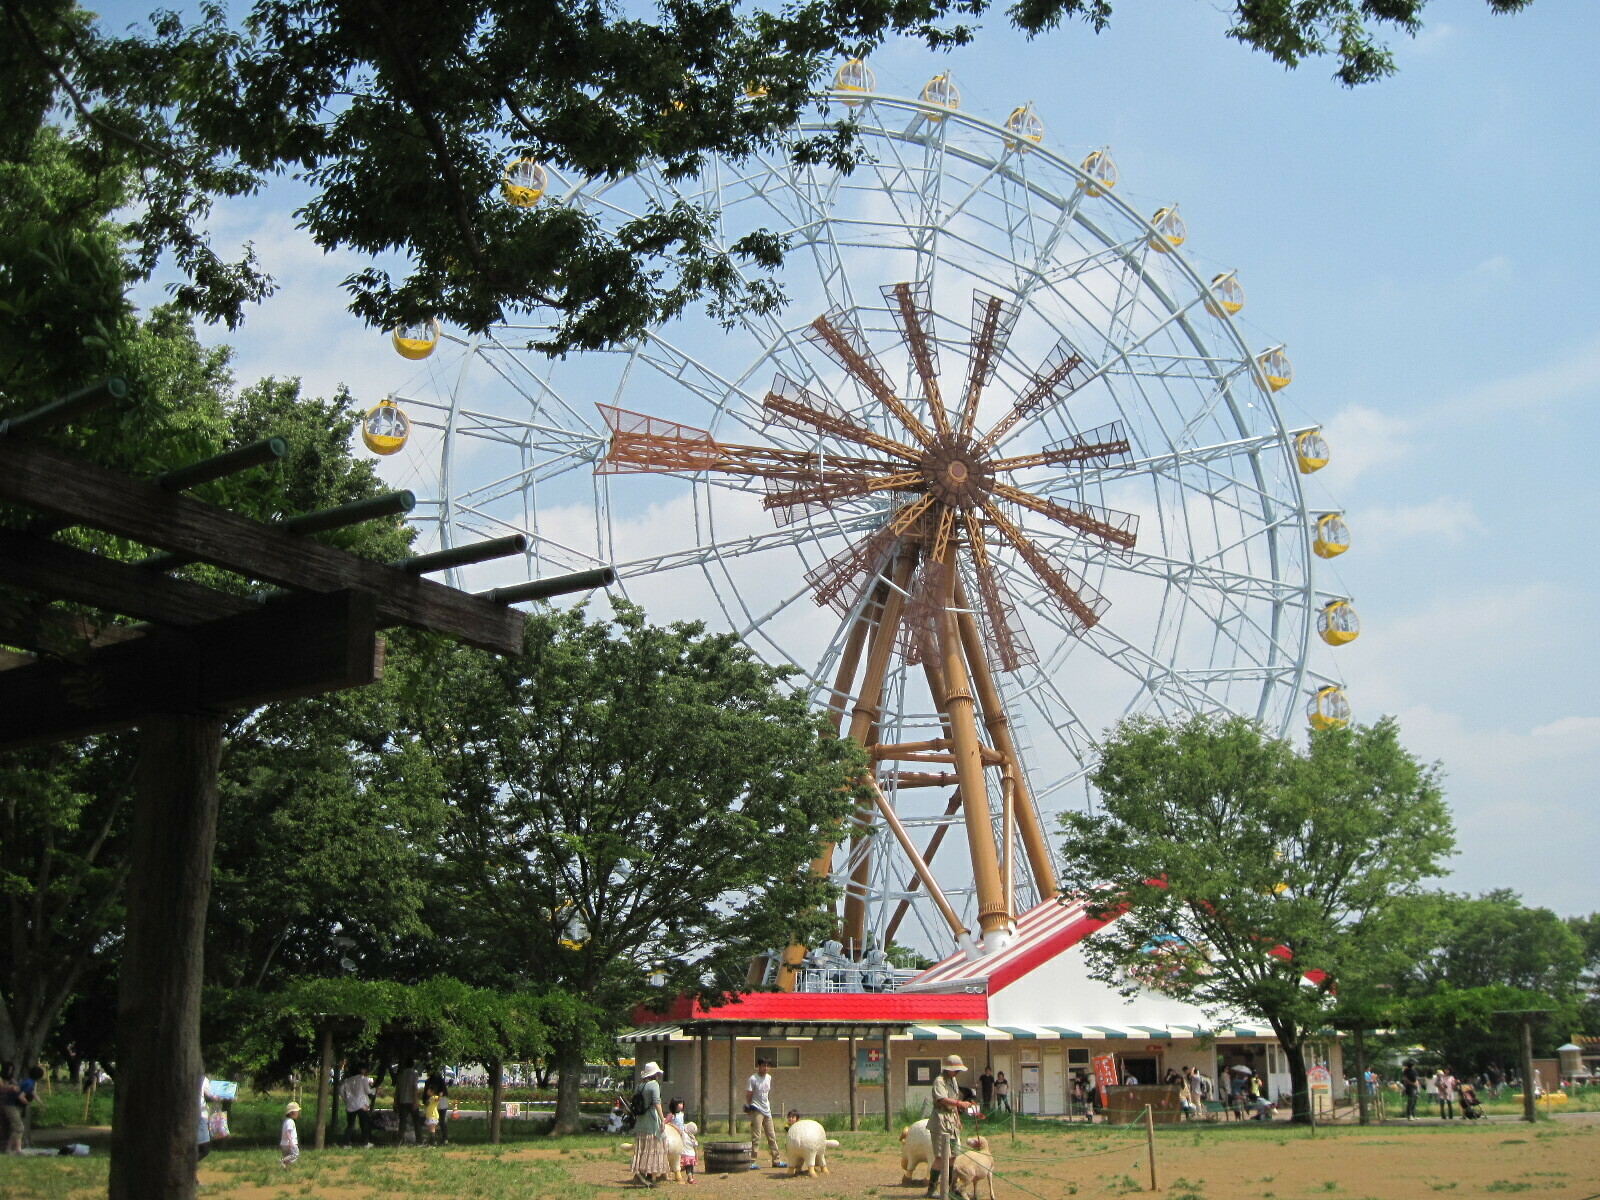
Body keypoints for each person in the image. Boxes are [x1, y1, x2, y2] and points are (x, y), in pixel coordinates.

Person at [928, 1054, 967, 1199]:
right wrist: (959, 1104)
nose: (958, 1073)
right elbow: (943, 1099)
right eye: (956, 1070)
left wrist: (957, 1118)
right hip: (940, 1119)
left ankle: (950, 1188)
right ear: (949, 1069)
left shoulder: (953, 1080)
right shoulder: (940, 1081)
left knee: (953, 1156)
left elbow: (954, 1099)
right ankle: (932, 1189)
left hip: (951, 1120)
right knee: (940, 1157)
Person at [631, 1061, 671, 1187]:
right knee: (654, 1148)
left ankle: (641, 1174)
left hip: (641, 1121)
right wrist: (662, 1118)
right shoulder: (654, 1085)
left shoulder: (639, 1086)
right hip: (652, 1120)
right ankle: (650, 1177)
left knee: (642, 1149)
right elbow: (656, 1103)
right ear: (655, 1074)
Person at [745, 1058, 786, 1170]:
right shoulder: (753, 1079)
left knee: (772, 1136)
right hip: (756, 1109)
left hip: (767, 1110)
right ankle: (751, 1161)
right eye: (764, 1065)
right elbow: (748, 1094)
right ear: (759, 1066)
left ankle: (776, 1160)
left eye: (768, 1066)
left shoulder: (769, 1078)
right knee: (756, 1136)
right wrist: (749, 1106)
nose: (766, 1068)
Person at [340, 1063, 376, 1146]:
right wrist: (374, 1090)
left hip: (351, 1105)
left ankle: (346, 1144)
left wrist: (346, 1100)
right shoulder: (363, 1079)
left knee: (350, 1125)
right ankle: (365, 1143)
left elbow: (341, 1091)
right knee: (364, 1124)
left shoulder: (347, 1080)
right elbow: (368, 1091)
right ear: (363, 1070)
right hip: (361, 1105)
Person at [394, 1060, 423, 1145]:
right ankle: (419, 1140)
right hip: (411, 1101)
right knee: (416, 1121)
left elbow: (397, 1089)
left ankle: (400, 1140)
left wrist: (396, 1101)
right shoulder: (414, 1074)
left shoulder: (401, 1074)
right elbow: (414, 1087)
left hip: (403, 1100)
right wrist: (416, 1100)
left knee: (402, 1122)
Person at [1, 1069, 26, 1155]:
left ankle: (18, 1149)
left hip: (14, 1106)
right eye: (9, 1069)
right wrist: (11, 1087)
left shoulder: (13, 1081)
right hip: (9, 1106)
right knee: (19, 1128)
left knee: (17, 1128)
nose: (10, 1072)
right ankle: (8, 1148)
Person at [426, 1072, 451, 1145]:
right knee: (441, 1120)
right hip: (442, 1100)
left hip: (439, 1100)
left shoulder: (430, 1081)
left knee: (439, 1121)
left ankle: (438, 1139)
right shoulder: (440, 1079)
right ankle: (444, 1138)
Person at [281, 1101, 301, 1169]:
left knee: (287, 1156)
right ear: (292, 1112)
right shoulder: (290, 1122)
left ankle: (285, 1169)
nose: (298, 1113)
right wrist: (291, 1142)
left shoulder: (286, 1121)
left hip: (283, 1143)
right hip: (289, 1143)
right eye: (297, 1112)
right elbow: (288, 1132)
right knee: (295, 1154)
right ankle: (283, 1161)